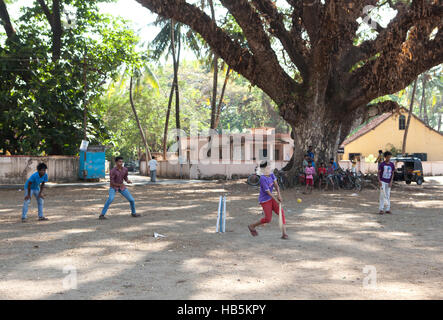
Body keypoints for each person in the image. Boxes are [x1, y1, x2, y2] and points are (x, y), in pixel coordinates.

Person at [248, 161, 288, 240]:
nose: (269, 168)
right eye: (267, 167)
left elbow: (276, 185)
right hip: (265, 200)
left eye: (269, 167)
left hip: (271, 198)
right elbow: (268, 192)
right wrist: (276, 200)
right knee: (268, 219)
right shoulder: (262, 178)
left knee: (281, 212)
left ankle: (284, 233)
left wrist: (279, 194)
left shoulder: (272, 174)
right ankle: (252, 226)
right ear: (263, 170)